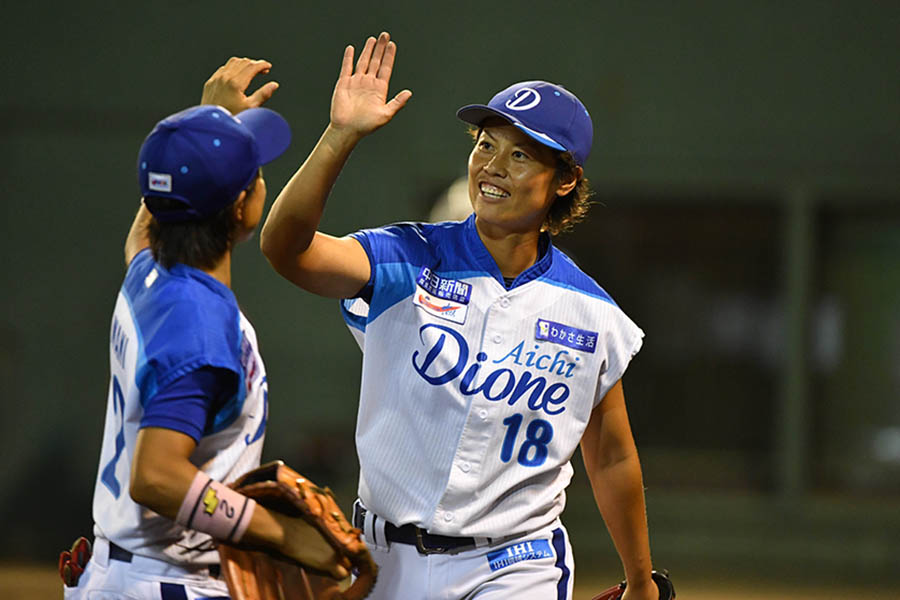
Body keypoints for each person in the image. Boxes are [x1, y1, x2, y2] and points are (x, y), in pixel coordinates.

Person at [260, 32, 659, 600]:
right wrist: (340, 136)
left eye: (521, 154)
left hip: (513, 564)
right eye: (486, 145)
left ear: (564, 180)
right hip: (381, 560)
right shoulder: (405, 256)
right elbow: (285, 249)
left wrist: (641, 581)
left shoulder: (593, 312)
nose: (493, 167)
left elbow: (613, 455)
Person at [65, 58, 346, 599]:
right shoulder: (198, 323)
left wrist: (204, 123)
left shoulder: (153, 272)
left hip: (126, 571)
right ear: (243, 205)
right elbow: (157, 477)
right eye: (256, 174)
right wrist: (284, 535)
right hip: (169, 580)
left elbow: (154, 219)